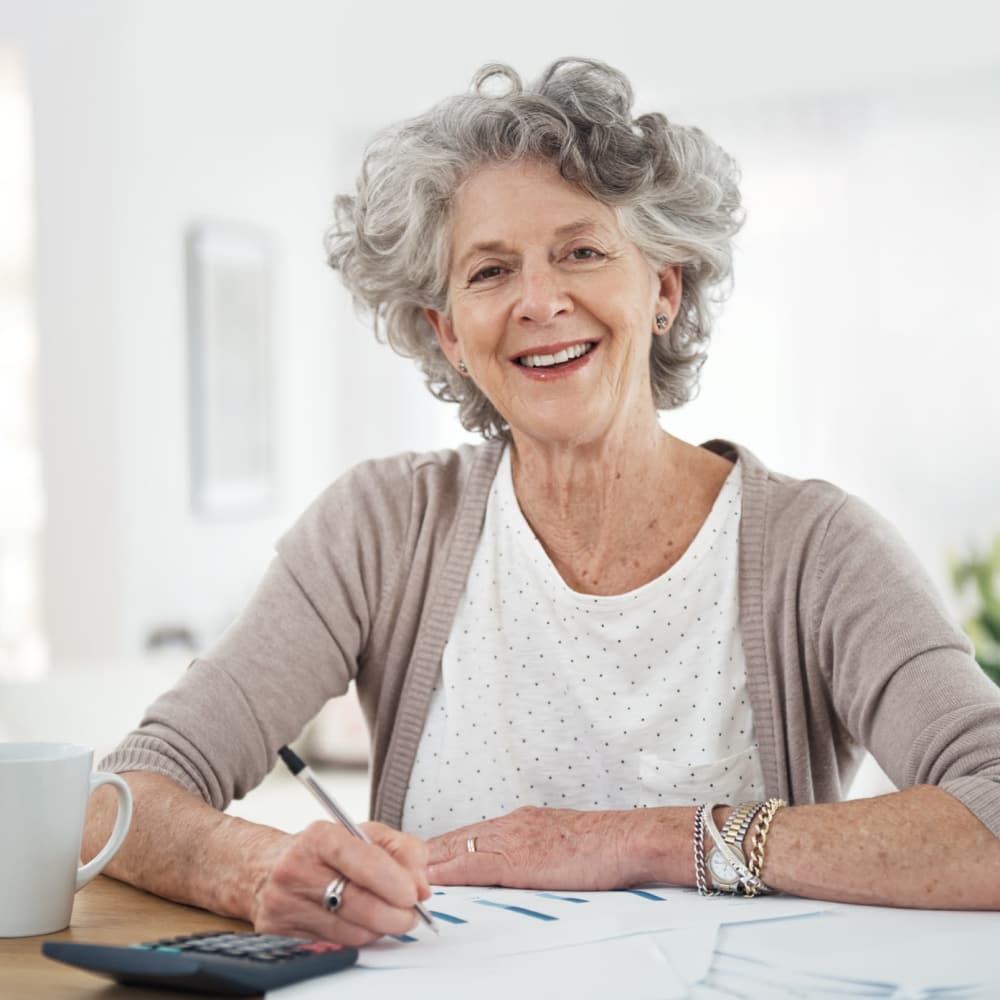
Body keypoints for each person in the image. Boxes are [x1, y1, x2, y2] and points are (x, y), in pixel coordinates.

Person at [85, 57, 1000, 944]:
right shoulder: (379, 528)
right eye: (489, 271)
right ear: (448, 334)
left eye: (583, 251)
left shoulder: (819, 550)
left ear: (663, 290)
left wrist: (629, 840)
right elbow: (118, 801)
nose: (539, 300)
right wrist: (255, 869)